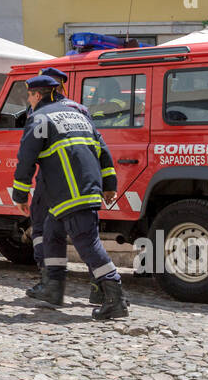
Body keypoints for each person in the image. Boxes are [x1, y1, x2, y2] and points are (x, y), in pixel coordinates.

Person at [11, 74, 129, 320]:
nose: (29, 101)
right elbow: (102, 150)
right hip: (80, 189)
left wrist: (20, 194)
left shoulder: (40, 118)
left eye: (30, 96)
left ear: (38, 95)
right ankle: (54, 287)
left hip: (70, 193)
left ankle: (115, 296)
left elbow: (26, 158)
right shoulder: (80, 114)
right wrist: (110, 185)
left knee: (87, 243)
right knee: (52, 232)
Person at [23, 66, 104, 305]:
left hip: (51, 183)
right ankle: (99, 287)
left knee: (43, 230)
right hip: (81, 181)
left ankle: (48, 281)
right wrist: (109, 181)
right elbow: (100, 145)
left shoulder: (39, 111)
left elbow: (30, 150)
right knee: (87, 237)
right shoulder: (79, 109)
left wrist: (20, 190)